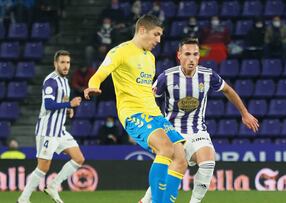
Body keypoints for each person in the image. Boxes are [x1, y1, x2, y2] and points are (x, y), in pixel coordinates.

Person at [140, 38, 259, 203]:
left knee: (208, 161)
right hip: (172, 132)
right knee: (163, 180)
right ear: (179, 55)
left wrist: (245, 113)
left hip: (197, 130)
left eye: (195, 54)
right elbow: (148, 100)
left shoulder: (208, 75)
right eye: (187, 54)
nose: (192, 58)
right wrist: (153, 127)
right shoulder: (166, 77)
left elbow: (228, 91)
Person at [84, 15, 187, 203]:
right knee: (165, 148)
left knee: (181, 159)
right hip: (133, 113)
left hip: (155, 114)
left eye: (161, 36)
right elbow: (98, 75)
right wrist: (92, 85)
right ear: (142, 31)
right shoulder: (120, 52)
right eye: (156, 34)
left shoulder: (151, 57)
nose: (159, 40)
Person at [17, 50, 84, 203]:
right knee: (43, 168)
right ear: (55, 64)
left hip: (60, 129)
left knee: (79, 158)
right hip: (47, 130)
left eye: (68, 62)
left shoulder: (65, 81)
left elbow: (61, 102)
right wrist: (69, 104)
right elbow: (48, 104)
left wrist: (68, 110)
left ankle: (53, 185)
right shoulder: (51, 81)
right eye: (62, 62)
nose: (66, 65)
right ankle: (23, 199)